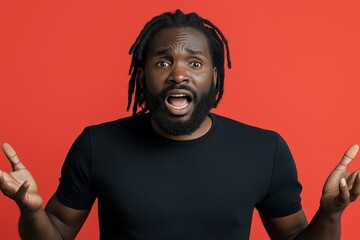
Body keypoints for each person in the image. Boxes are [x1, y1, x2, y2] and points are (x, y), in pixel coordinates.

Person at [0, 9, 359, 240]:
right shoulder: (98, 144)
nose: (178, 74)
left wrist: (329, 215)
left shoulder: (265, 150)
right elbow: (57, 233)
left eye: (195, 63)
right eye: (162, 62)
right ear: (141, 78)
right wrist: (31, 212)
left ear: (215, 77)